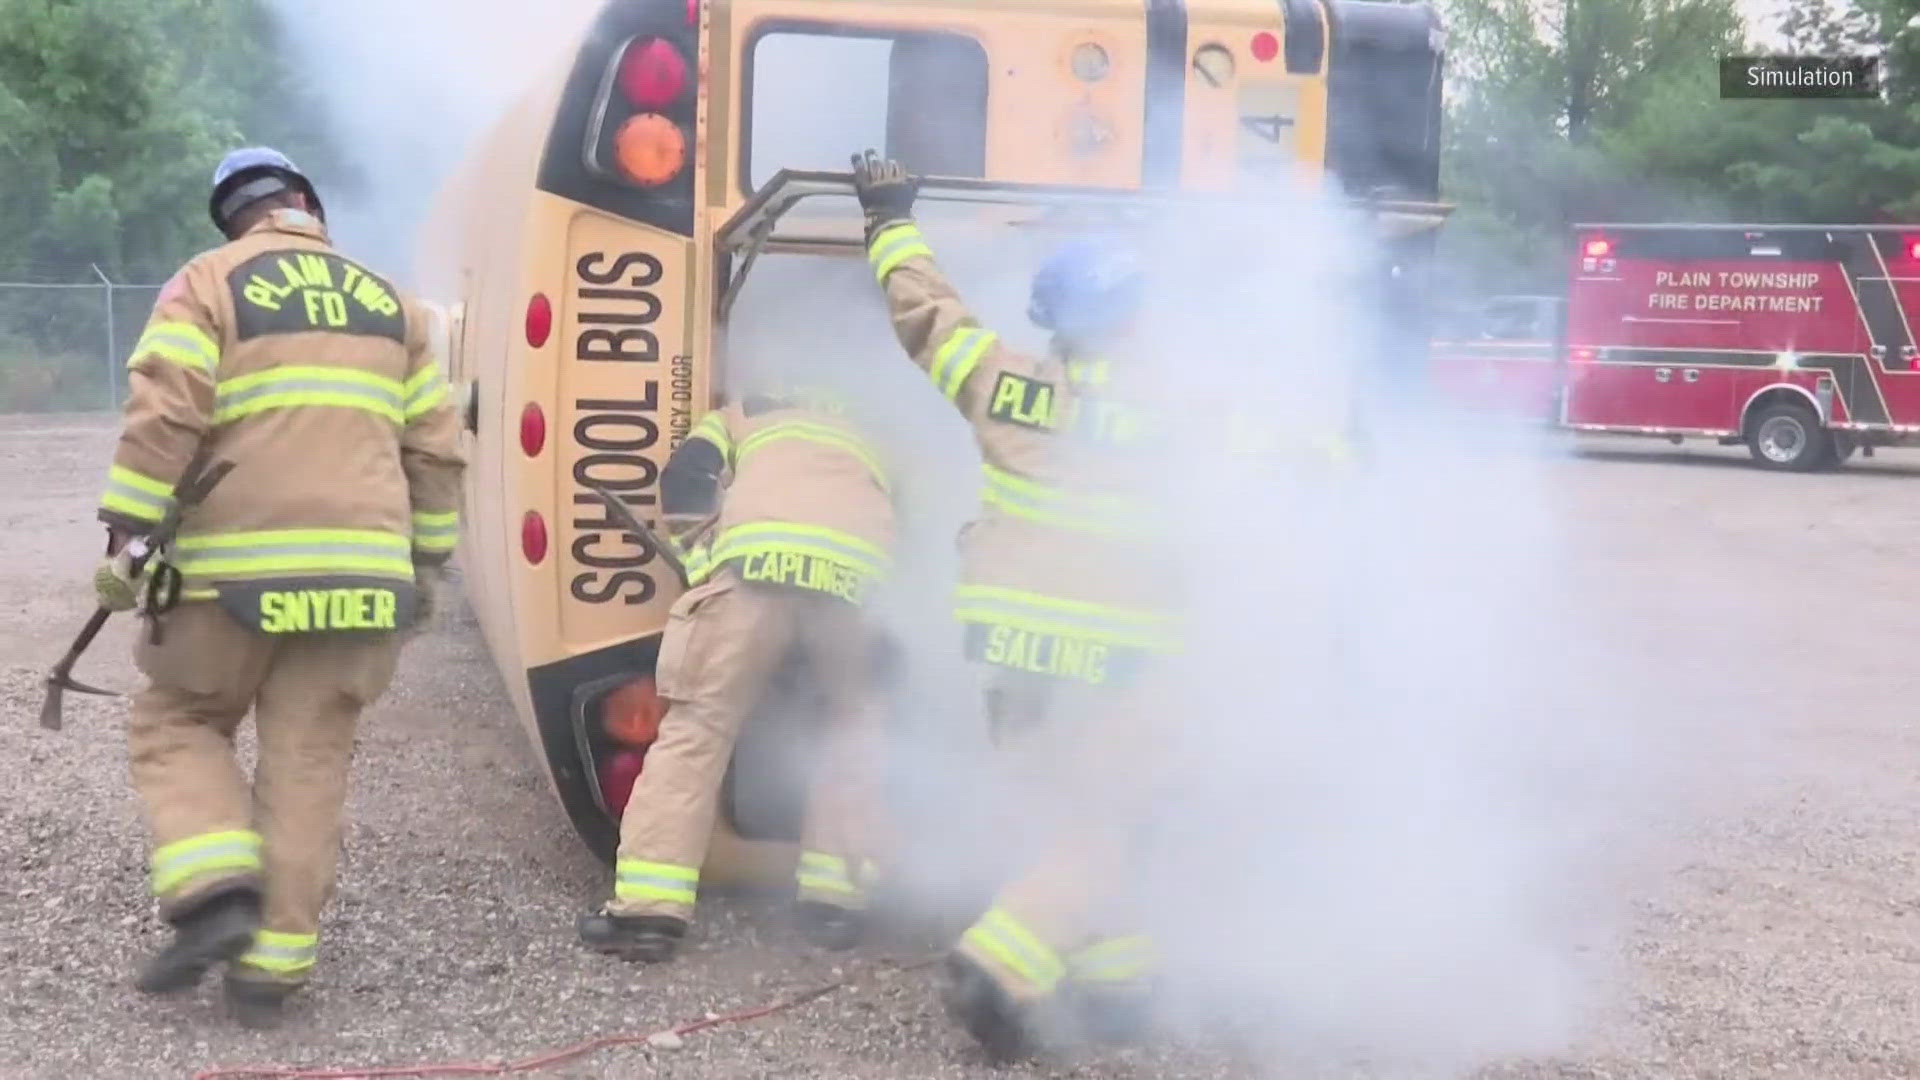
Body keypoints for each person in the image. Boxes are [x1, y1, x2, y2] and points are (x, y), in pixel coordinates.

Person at [93, 146, 465, 1027]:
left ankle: (217, 889)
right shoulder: (393, 304)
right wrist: (427, 567)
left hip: (230, 580)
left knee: (178, 718)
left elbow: (167, 410)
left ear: (232, 216)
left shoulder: (208, 282)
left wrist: (128, 534)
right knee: (308, 757)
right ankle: (271, 971)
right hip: (365, 583)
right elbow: (437, 451)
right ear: (304, 202)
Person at [850, 149, 1178, 1060]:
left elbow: (929, 316)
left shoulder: (1006, 382)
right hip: (1120, 657)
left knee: (1064, 813)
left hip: (1014, 652)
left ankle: (1118, 984)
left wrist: (889, 223)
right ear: (1131, 315)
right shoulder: (1182, 406)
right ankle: (996, 964)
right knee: (1114, 822)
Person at [576, 380, 896, 963]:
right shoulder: (871, 425)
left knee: (697, 732)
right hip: (852, 582)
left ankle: (649, 913)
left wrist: (704, 567)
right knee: (854, 729)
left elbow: (685, 484)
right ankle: (834, 904)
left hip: (752, 569)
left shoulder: (738, 414)